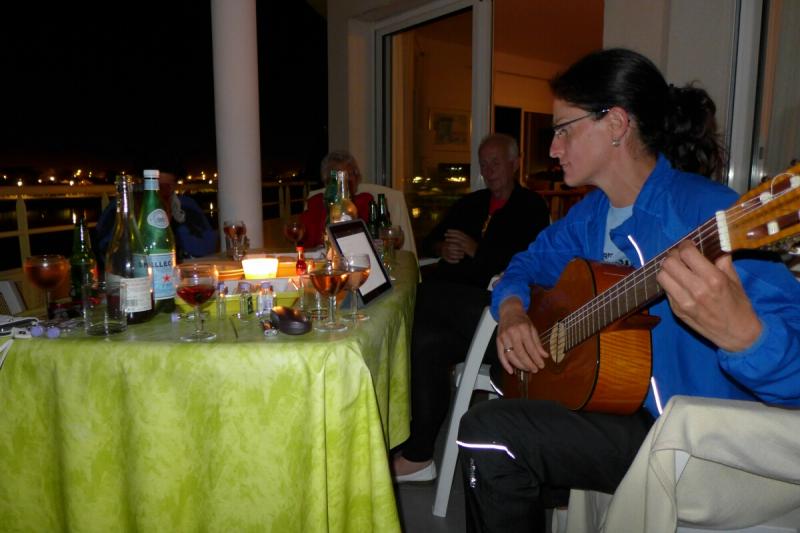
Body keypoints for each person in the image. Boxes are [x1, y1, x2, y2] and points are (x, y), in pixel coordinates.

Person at [456, 48, 800, 532]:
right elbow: (526, 263)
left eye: (563, 129)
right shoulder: (590, 214)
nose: (552, 149)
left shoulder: (706, 214)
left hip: (689, 440)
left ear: (616, 124)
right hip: (617, 406)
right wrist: (511, 309)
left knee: (490, 433)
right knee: (497, 410)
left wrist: (747, 338)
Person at [392, 133, 550, 482]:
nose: (489, 171)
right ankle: (419, 455)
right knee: (426, 341)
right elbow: (430, 239)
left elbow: (526, 267)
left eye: (496, 163)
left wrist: (477, 251)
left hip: (497, 314)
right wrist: (443, 249)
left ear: (515, 164)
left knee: (420, 297)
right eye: (484, 164)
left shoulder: (531, 208)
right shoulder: (471, 203)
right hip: (455, 314)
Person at [95, 171, 218, 270]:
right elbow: (108, 256)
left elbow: (208, 246)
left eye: (168, 185)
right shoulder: (123, 207)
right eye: (158, 184)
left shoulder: (186, 205)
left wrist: (176, 228)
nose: (162, 190)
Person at [299, 149, 373, 248]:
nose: (347, 180)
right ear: (328, 180)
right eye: (341, 176)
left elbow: (365, 236)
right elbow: (306, 241)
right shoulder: (315, 202)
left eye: (351, 174)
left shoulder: (365, 200)